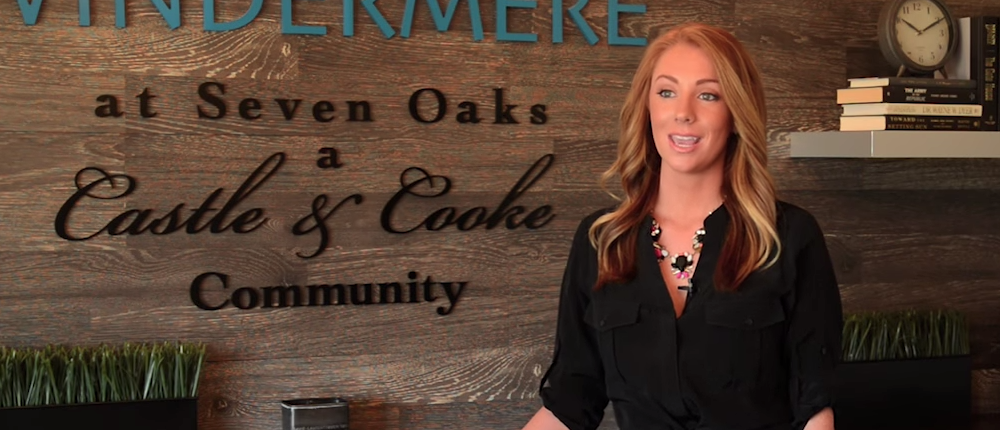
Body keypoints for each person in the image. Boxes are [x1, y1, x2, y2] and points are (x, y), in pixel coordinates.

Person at [521, 22, 843, 430]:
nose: (683, 112)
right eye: (666, 92)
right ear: (647, 106)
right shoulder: (601, 242)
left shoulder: (789, 236)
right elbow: (569, 401)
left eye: (708, 95)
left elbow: (815, 408)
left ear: (735, 113)